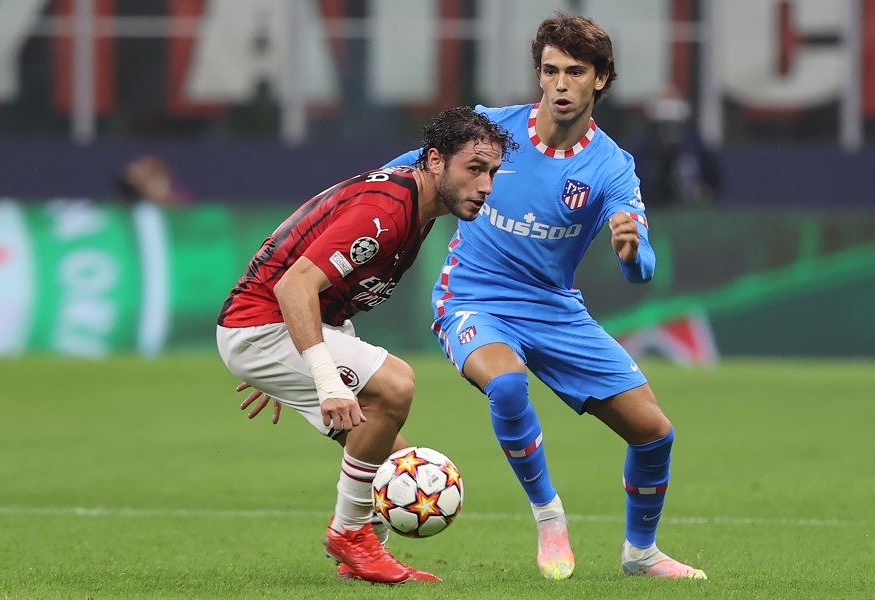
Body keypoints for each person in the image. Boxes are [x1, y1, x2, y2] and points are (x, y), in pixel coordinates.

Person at [381, 12, 707, 581]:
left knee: (655, 433)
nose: (560, 84)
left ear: (600, 79)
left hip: (555, 310)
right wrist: (355, 196)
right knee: (505, 383)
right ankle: (548, 514)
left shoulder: (610, 167)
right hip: (473, 299)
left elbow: (641, 268)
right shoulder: (489, 130)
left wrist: (633, 255)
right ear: (538, 74)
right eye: (550, 71)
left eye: (575, 72)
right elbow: (404, 172)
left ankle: (642, 553)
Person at [216, 106, 517, 584]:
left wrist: (287, 370)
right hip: (264, 325)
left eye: (493, 173)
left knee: (387, 452)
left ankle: (362, 557)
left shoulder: (417, 207)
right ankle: (349, 534)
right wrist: (320, 375)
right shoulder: (384, 212)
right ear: (436, 161)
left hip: (288, 330)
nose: (486, 186)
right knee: (396, 385)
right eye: (475, 169)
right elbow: (292, 287)